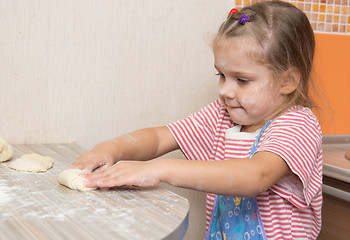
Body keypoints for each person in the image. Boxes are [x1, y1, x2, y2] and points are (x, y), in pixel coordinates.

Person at [72, 1, 323, 239]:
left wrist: (158, 169)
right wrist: (109, 149)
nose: (225, 90)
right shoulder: (223, 115)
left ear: (288, 81)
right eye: (222, 75)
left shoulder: (298, 125)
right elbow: (160, 138)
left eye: (242, 80)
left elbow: (255, 176)